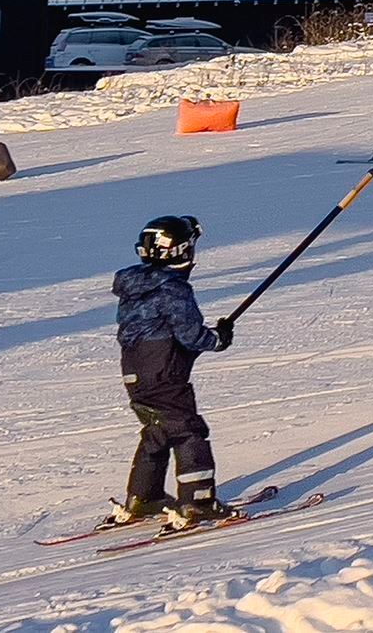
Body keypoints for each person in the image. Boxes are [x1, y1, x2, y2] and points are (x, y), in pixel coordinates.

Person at [110, 215, 235, 527]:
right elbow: (191, 335)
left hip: (135, 371)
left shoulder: (134, 288)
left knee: (157, 430)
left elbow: (162, 332)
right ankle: (198, 500)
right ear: (181, 251)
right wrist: (218, 338)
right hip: (164, 372)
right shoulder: (173, 289)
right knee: (187, 429)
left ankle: (144, 496)